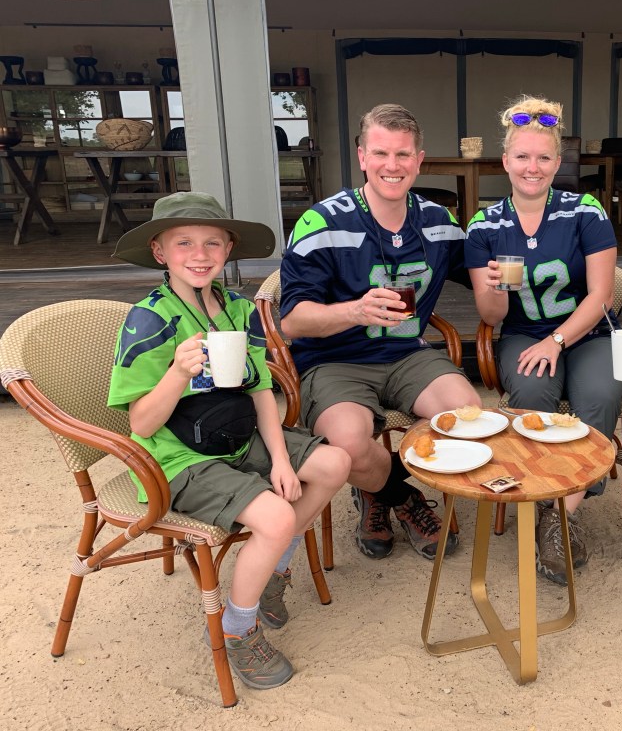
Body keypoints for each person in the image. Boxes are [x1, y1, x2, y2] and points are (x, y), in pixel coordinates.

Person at [107, 192, 351, 690]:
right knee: (278, 516)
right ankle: (236, 628)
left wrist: (280, 459)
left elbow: (259, 389)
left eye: (212, 242)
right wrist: (177, 373)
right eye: (184, 243)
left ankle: (272, 574)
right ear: (159, 251)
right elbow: (142, 425)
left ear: (229, 248)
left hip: (236, 438)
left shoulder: (239, 309)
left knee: (334, 463)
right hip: (175, 459)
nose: (200, 254)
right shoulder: (150, 319)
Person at [279, 103, 480, 561]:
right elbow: (291, 320)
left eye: (403, 154)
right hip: (334, 360)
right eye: (381, 153)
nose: (393, 165)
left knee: (468, 417)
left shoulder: (438, 221)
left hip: (408, 353)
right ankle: (398, 495)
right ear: (362, 156)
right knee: (349, 445)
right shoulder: (322, 222)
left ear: (419, 160)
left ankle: (374, 484)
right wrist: (354, 310)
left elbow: (477, 273)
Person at [464, 95, 622, 586]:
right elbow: (491, 317)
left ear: (557, 163)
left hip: (587, 331)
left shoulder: (585, 211)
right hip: (522, 333)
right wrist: (493, 289)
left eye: (542, 157)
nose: (531, 167)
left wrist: (557, 340)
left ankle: (560, 517)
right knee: (533, 394)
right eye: (522, 156)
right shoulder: (484, 226)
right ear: (505, 161)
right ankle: (542, 493)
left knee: (599, 395)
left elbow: (601, 295)